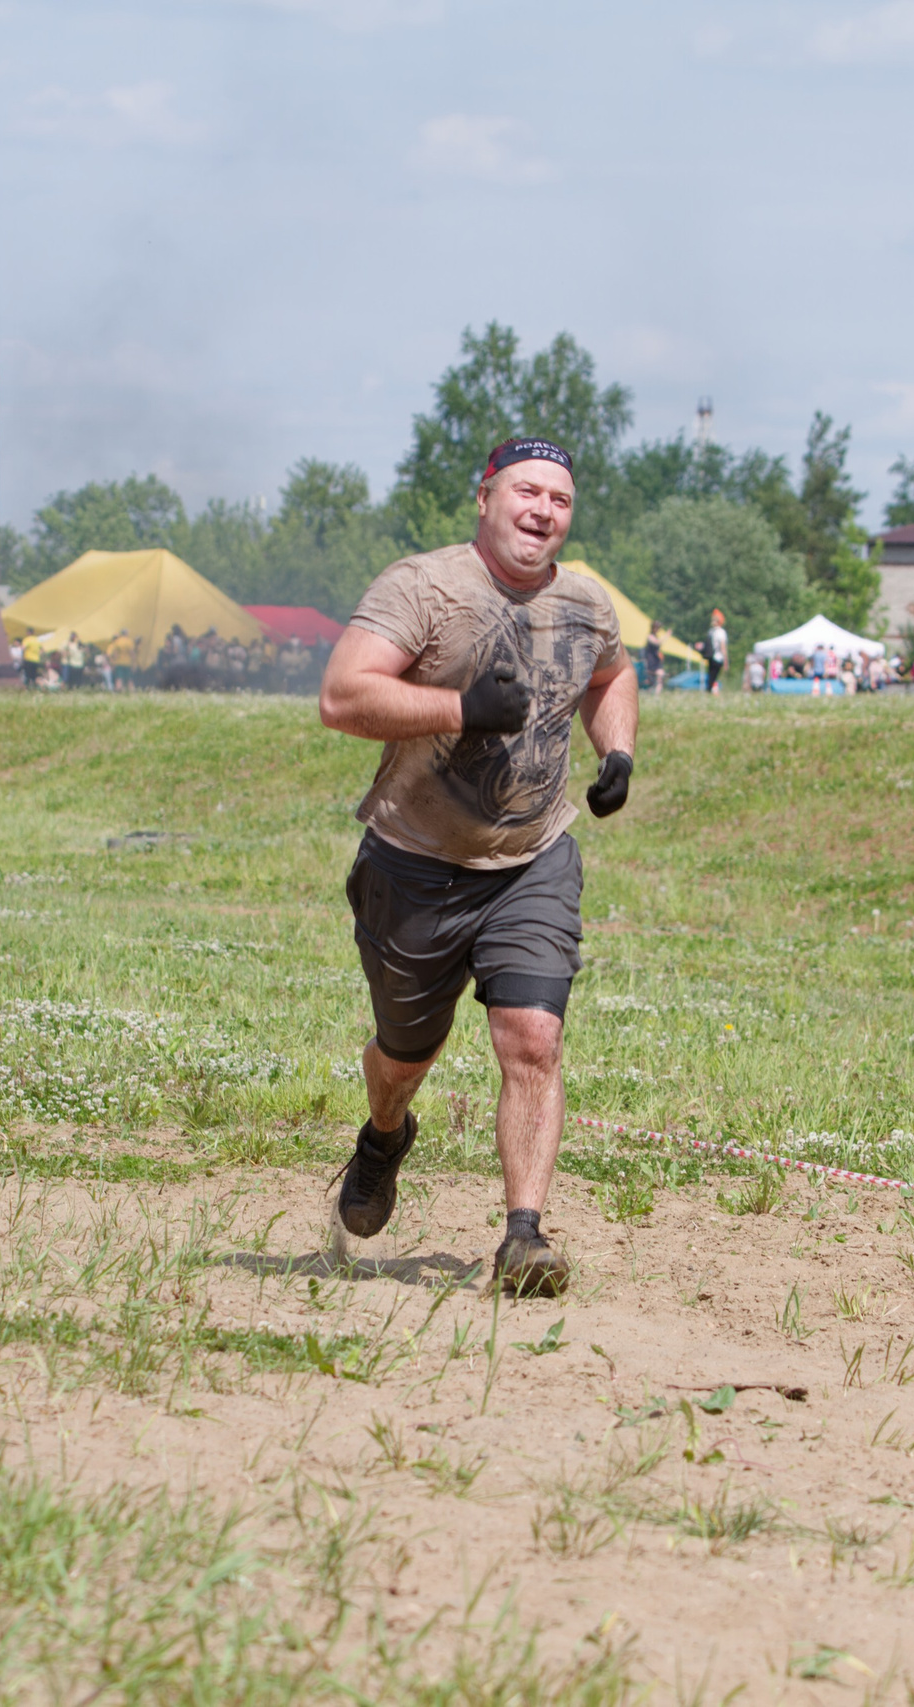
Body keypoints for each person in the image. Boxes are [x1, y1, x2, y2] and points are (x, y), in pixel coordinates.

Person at [317, 436, 636, 1298]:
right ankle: (385, 1134)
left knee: (532, 1036)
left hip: (531, 858)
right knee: (403, 1056)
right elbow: (342, 696)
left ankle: (524, 1236)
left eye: (560, 500)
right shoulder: (423, 586)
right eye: (526, 492)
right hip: (414, 863)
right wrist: (460, 707)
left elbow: (611, 672)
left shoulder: (584, 602)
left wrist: (617, 751)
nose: (542, 511)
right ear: (486, 497)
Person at [704, 610, 727, 695]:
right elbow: (723, 647)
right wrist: (725, 661)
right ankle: (711, 692)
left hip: (710, 657)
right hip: (718, 657)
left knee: (711, 675)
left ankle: (710, 691)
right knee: (714, 677)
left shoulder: (710, 631)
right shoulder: (721, 632)